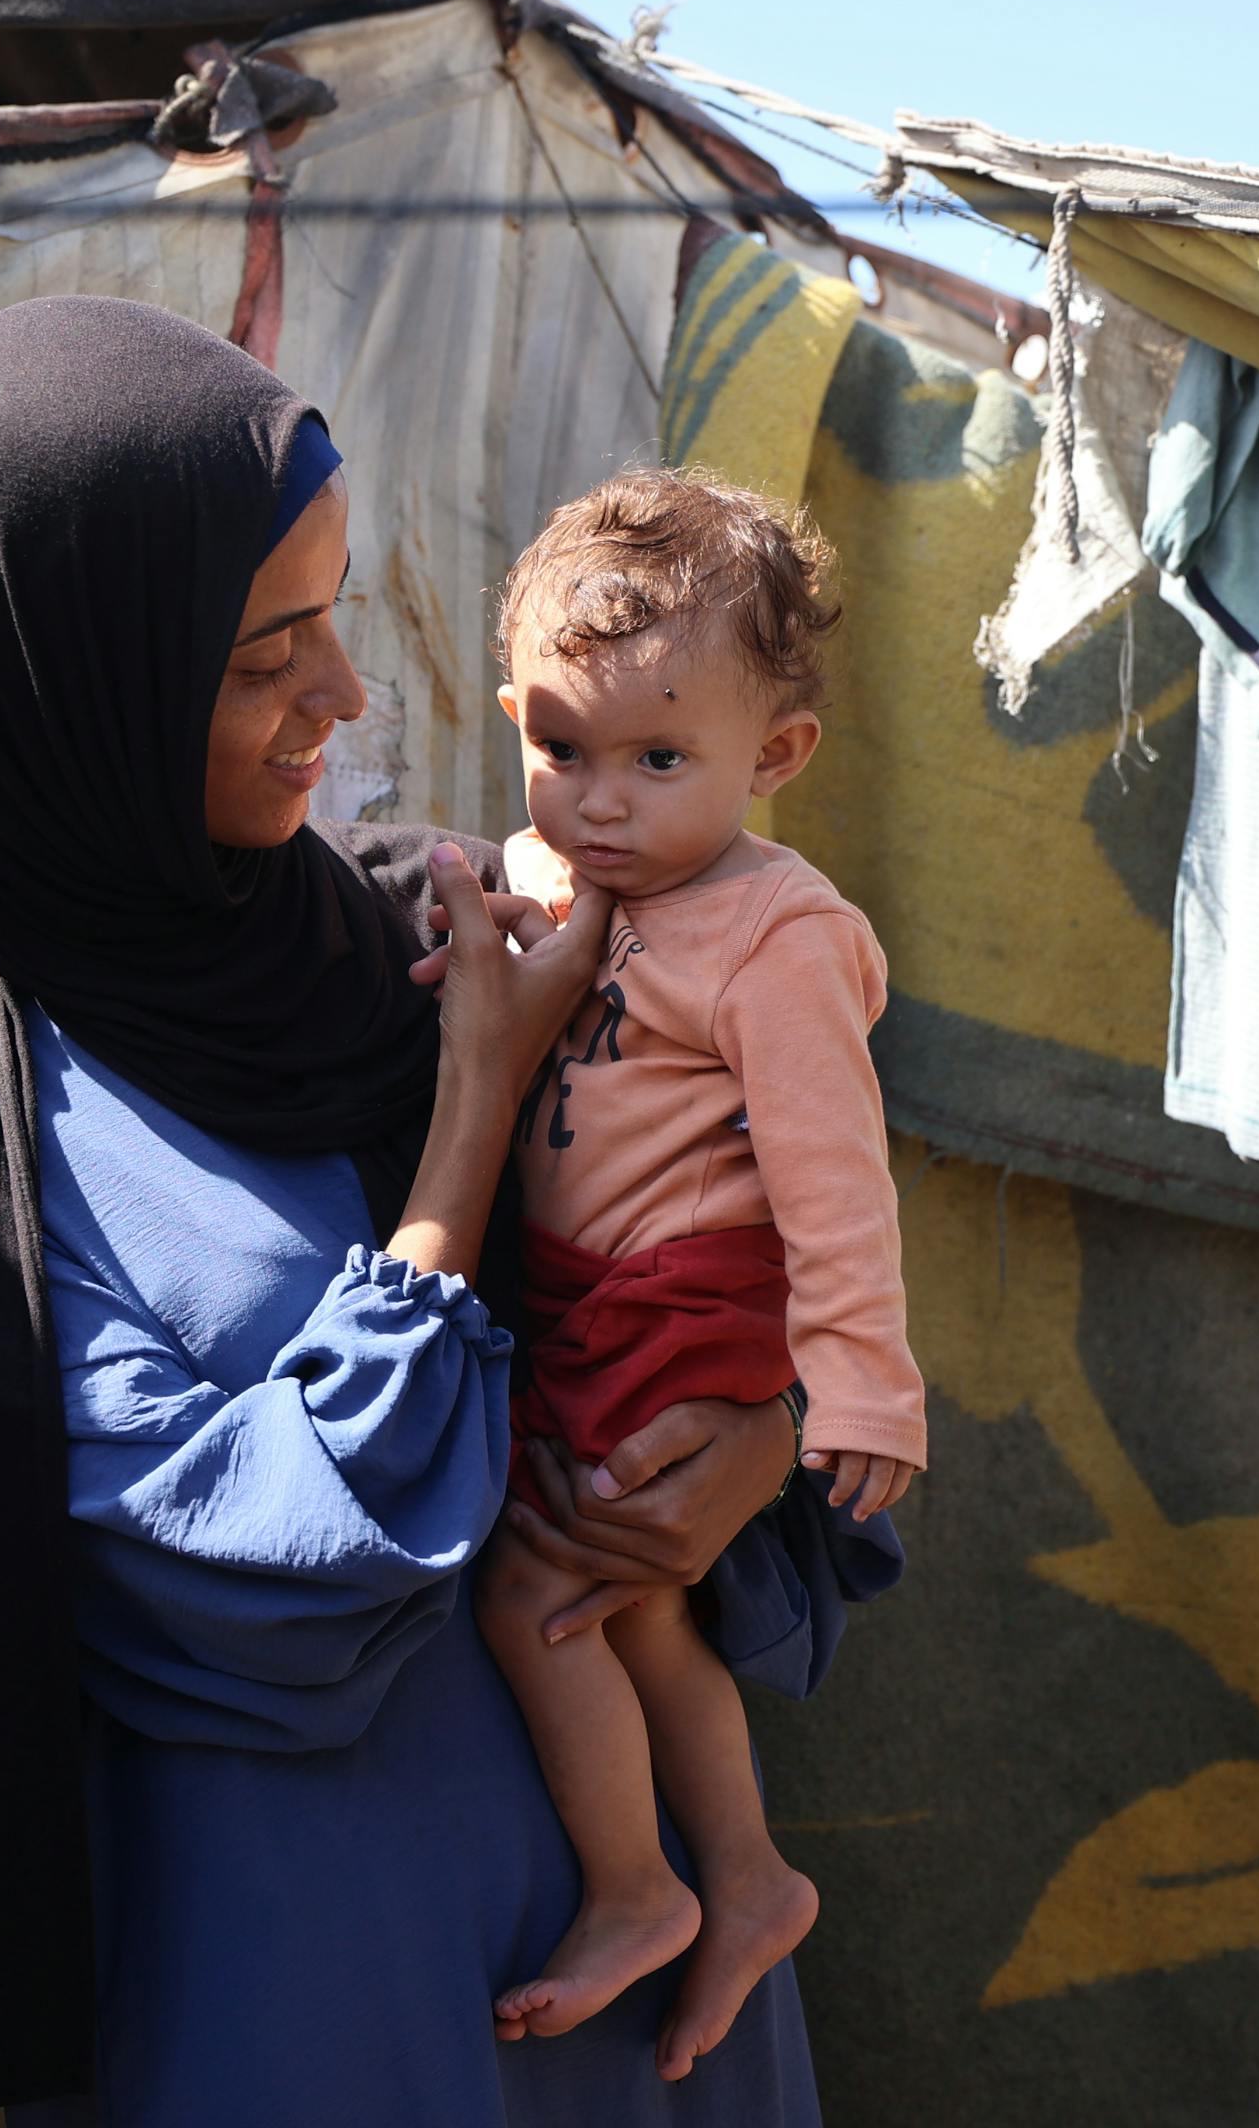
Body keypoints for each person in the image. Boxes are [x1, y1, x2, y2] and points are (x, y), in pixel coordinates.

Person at [0, 295, 877, 2125]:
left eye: (335, 615)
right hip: (299, 1961)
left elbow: (718, 1219)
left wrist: (764, 1426)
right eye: (260, 655)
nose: (349, 700)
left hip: (646, 1936)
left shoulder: (404, 928)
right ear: (60, 698)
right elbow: (244, 1594)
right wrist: (470, 1125)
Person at [477, 472, 928, 2079]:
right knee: (636, 1607)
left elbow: (834, 1182)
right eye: (559, 749)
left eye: (659, 760)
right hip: (585, 1299)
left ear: (774, 759)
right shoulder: (551, 883)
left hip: (682, 1301)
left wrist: (862, 1386)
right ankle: (747, 1880)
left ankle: (635, 1892)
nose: (599, 802)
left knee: (541, 1592)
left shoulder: (771, 931)